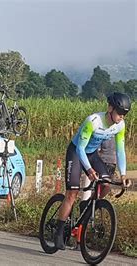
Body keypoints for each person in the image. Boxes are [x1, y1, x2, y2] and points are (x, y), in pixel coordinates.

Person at [53, 92, 131, 250]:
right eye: (120, 112)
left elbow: (120, 150)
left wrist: (123, 175)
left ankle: (87, 206)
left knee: (107, 184)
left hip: (92, 153)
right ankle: (58, 232)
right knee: (72, 193)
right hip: (76, 152)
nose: (122, 117)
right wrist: (88, 170)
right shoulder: (93, 121)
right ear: (110, 108)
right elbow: (81, 149)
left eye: (125, 114)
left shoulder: (120, 126)